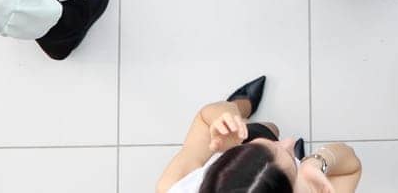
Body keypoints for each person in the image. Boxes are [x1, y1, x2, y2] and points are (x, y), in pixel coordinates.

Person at [153, 77, 364, 192]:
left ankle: (241, 105)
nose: (290, 142)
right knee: (270, 132)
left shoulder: (173, 189)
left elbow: (203, 120)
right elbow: (349, 170)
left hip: (233, 148)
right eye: (291, 158)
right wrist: (317, 162)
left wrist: (227, 116)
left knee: (268, 129)